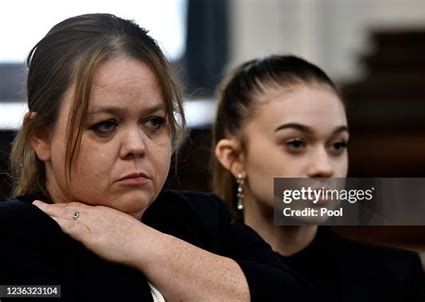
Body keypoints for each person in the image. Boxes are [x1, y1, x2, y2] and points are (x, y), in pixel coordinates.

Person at [0, 14, 314, 302]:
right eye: (105, 125)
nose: (137, 146)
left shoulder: (203, 217)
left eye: (154, 122)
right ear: (40, 136)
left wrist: (143, 244)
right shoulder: (13, 233)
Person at [212, 55, 425, 302]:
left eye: (337, 145)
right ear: (234, 157)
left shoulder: (395, 277)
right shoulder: (197, 274)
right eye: (295, 143)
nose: (324, 167)